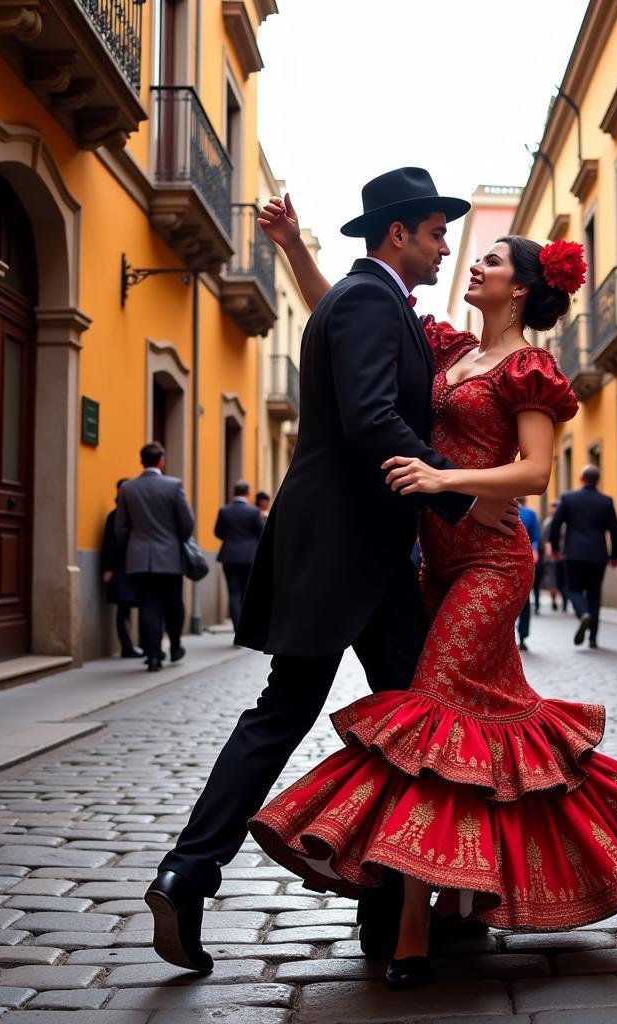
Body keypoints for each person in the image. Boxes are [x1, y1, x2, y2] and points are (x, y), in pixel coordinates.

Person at [247, 214, 617, 990]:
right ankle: (463, 894)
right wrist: (293, 250)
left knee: (431, 718)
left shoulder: (530, 370)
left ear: (519, 286)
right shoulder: (451, 350)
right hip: (435, 562)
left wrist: (443, 481)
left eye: (486, 258)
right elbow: (347, 311)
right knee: (473, 730)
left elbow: (534, 475)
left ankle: (415, 924)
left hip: (491, 564)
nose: (469, 264)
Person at [146, 169, 518, 975]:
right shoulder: (366, 302)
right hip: (348, 546)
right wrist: (458, 497)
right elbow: (371, 418)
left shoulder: (368, 303)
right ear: (397, 236)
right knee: (351, 713)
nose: (444, 246)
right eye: (434, 231)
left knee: (404, 718)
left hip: (365, 553)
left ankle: (385, 913)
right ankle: (208, 870)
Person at [115, 443, 194, 673]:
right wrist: (177, 539)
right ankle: (175, 644)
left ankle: (153, 656)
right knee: (174, 604)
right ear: (161, 460)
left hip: (139, 558)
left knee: (148, 607)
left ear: (142, 461)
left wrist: (131, 548)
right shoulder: (174, 485)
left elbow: (120, 528)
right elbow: (187, 523)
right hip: (169, 557)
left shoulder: (128, 488)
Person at [548, 465, 617, 649]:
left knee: (573, 590)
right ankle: (593, 638)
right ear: (598, 481)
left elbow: (555, 525)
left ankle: (583, 613)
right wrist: (615, 555)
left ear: (581, 479)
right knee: (595, 594)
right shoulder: (606, 501)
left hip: (574, 553)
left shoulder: (569, 498)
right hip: (598, 555)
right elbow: (615, 530)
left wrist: (555, 548)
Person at [214, 481, 264, 632]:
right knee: (246, 592)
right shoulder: (254, 511)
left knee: (233, 593)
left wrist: (231, 539)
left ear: (232, 493)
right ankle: (246, 629)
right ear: (247, 494)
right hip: (249, 556)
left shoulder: (224, 511)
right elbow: (260, 532)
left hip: (229, 556)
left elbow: (218, 532)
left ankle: (238, 630)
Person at [101, 479, 142, 659]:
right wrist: (108, 568)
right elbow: (109, 544)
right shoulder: (115, 516)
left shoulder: (133, 514)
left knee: (129, 607)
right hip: (120, 568)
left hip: (132, 566)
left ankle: (133, 645)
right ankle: (126, 647)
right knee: (124, 607)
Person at [515, 497, 540, 651]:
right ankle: (522, 637)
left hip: (505, 558)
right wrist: (534, 550)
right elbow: (536, 538)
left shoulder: (528, 514)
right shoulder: (529, 514)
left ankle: (519, 637)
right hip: (522, 557)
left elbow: (536, 538)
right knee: (524, 599)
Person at [542, 499, 567, 611]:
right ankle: (554, 600)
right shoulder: (547, 522)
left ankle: (565, 601)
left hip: (563, 556)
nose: (554, 508)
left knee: (563, 579)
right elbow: (544, 539)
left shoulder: (565, 522)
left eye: (556, 506)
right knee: (552, 579)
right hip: (551, 556)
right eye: (552, 506)